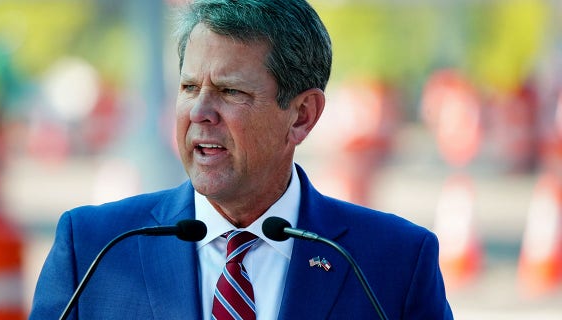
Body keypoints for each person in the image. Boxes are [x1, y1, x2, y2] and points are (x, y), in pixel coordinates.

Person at [29, 0, 454, 319]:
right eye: (190, 87)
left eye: (231, 91)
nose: (200, 112)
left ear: (302, 115)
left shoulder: (395, 262)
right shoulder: (93, 248)